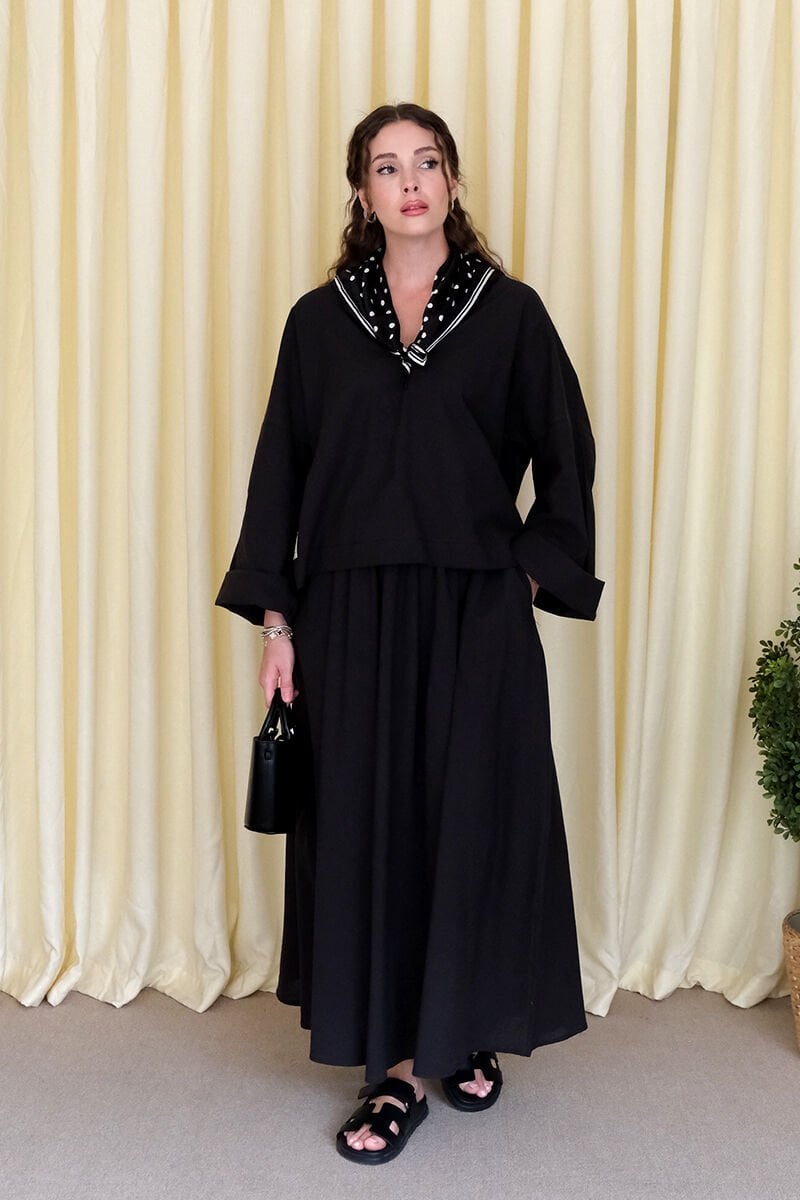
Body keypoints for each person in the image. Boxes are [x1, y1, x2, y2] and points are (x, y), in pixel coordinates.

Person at [216, 102, 603, 1165]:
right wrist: (279, 623)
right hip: (348, 617)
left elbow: (565, 453)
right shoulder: (317, 322)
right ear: (362, 193)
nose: (410, 182)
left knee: (470, 818)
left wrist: (525, 575)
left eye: (426, 162)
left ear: (453, 180)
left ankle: (461, 1025)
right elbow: (280, 474)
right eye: (386, 168)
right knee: (369, 828)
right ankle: (393, 1072)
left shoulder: (509, 313)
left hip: (474, 610)